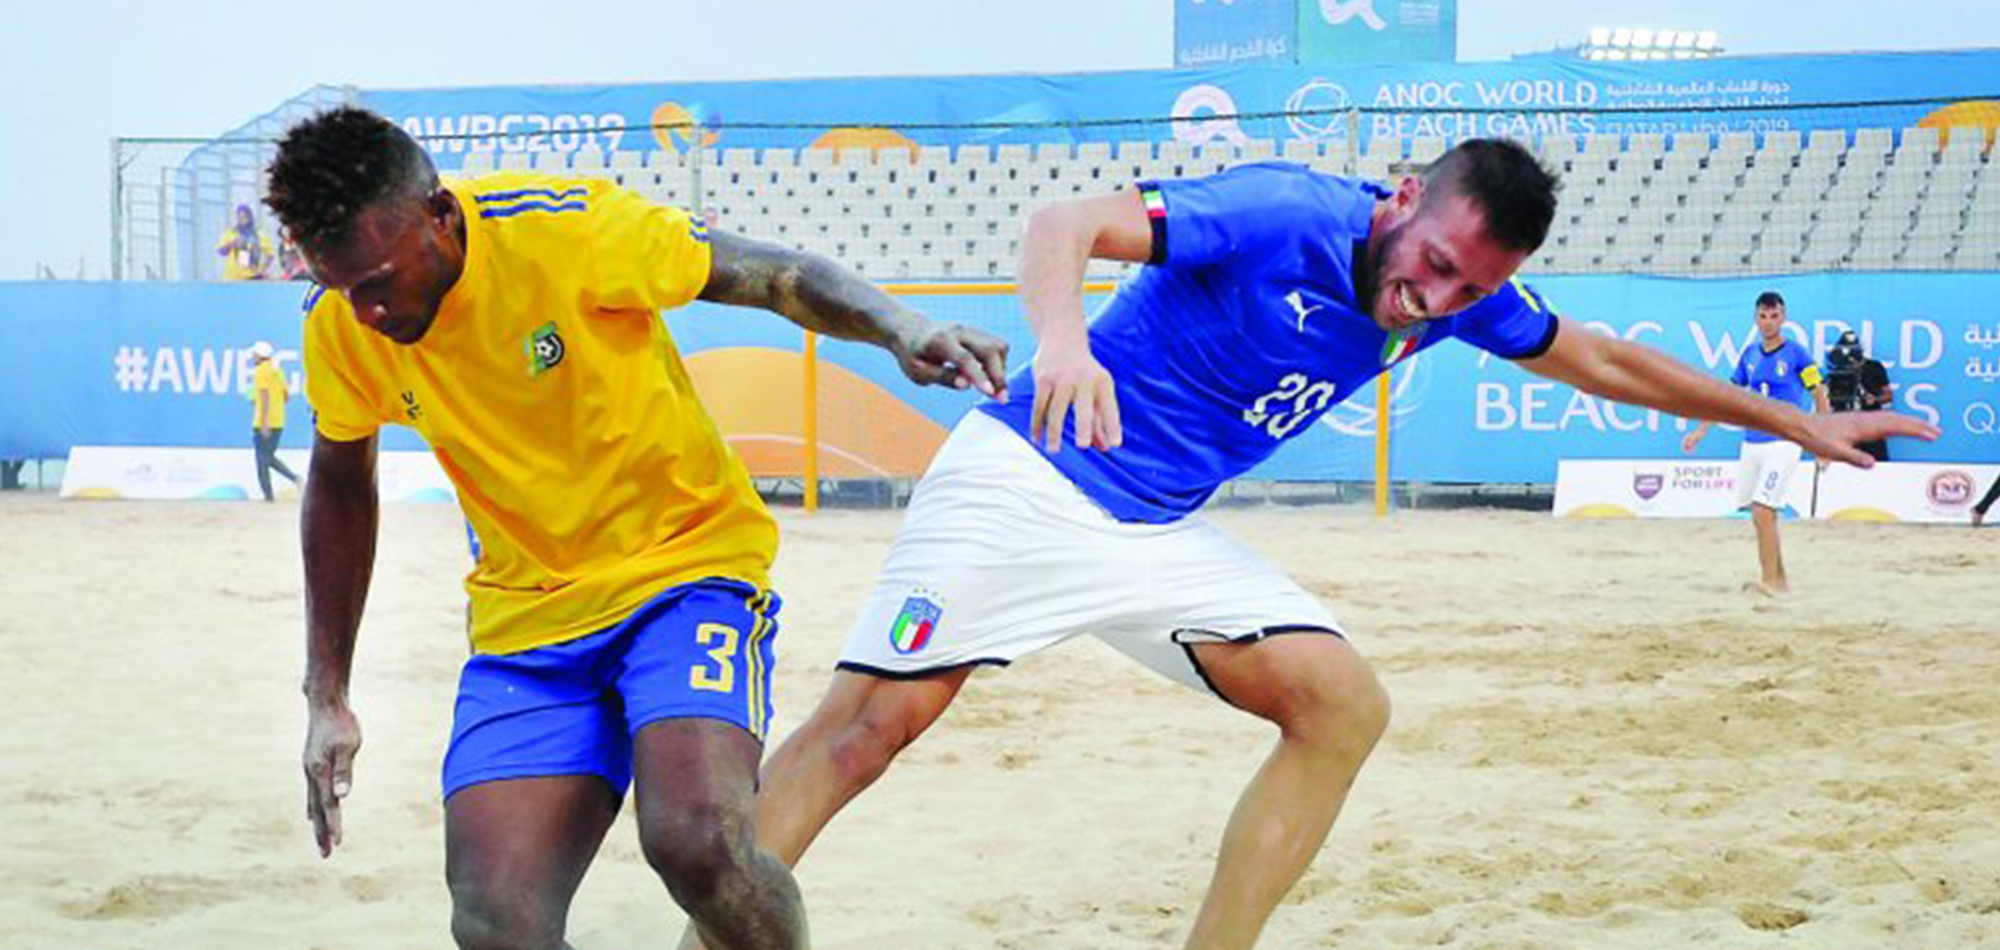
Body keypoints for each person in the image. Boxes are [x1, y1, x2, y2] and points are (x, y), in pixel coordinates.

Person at [679, 140, 1934, 950]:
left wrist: (1788, 418)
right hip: (1026, 478)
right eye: (1432, 264)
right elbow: (1061, 219)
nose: (1432, 299)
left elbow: (1601, 357)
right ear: (1400, 200)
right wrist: (1059, 339)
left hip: (1155, 529)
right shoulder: (1278, 211)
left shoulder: (1465, 300)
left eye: (1462, 288)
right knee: (863, 733)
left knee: (1341, 705)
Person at [265, 106, 1008, 950]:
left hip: (683, 575)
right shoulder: (341, 326)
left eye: (380, 281)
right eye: (341, 288)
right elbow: (339, 482)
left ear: (439, 213)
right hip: (528, 624)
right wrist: (327, 695)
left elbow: (777, 275)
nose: (365, 312)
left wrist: (900, 328)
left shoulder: (569, 228)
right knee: (494, 921)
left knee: (697, 847)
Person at [1682, 292, 1833, 596]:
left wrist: (1823, 445)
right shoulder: (1749, 354)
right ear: (1755, 318)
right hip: (1752, 443)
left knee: (1763, 511)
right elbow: (1727, 397)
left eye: (1774, 316)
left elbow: (1819, 396)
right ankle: (1781, 581)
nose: (1768, 322)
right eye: (1763, 317)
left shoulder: (1797, 354)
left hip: (1784, 441)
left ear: (1783, 318)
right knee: (1761, 514)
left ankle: (1770, 583)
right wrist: (1700, 431)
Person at [1822, 329, 1895, 461]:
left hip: (1871, 426)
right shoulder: (1835, 372)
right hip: (1844, 426)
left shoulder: (1874, 367)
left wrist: (1874, 399)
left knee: (1877, 466)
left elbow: (1888, 395)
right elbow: (1827, 399)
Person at [248, 340, 302, 502]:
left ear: (259, 356)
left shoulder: (261, 371)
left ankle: (269, 495)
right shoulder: (278, 371)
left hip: (263, 421)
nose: (253, 357)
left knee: (262, 459)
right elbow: (286, 397)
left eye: (254, 354)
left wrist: (264, 421)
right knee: (267, 456)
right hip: (279, 420)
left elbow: (264, 395)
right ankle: (294, 479)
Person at [217, 203, 272, 280]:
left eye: (245, 217)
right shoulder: (231, 232)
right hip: (232, 277)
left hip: (253, 277)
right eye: (239, 217)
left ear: (250, 217)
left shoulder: (260, 233)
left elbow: (270, 255)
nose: (242, 220)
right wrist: (232, 244)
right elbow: (221, 252)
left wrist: (263, 269)